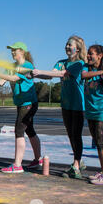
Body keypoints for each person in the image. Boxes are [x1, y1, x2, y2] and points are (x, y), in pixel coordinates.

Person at [0, 42, 42, 174]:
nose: (12, 52)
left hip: (28, 103)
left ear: (23, 52)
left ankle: (17, 165)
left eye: (15, 50)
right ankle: (38, 160)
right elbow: (1, 82)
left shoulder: (27, 66)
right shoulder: (11, 66)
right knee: (30, 130)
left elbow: (14, 78)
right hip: (22, 103)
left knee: (19, 130)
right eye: (12, 50)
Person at [32, 36, 87, 178]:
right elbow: (51, 76)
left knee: (76, 134)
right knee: (70, 134)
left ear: (78, 48)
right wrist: (35, 74)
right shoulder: (60, 62)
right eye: (67, 45)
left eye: (71, 45)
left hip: (78, 105)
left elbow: (62, 74)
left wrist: (41, 71)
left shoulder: (79, 63)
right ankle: (78, 161)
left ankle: (76, 164)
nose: (68, 47)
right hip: (66, 104)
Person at [81, 45, 103, 185]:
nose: (88, 56)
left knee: (102, 143)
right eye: (88, 53)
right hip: (91, 111)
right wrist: (102, 72)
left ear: (99, 56)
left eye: (91, 54)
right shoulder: (87, 68)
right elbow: (83, 76)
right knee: (98, 143)